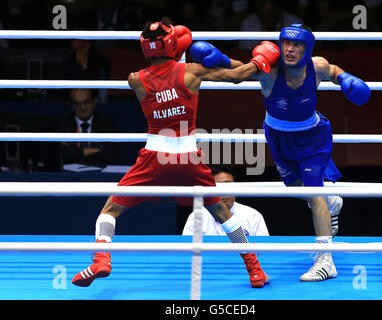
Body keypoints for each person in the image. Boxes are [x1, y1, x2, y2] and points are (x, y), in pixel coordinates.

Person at [72, 17, 281, 289]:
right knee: (222, 213)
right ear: (172, 44)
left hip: (154, 157)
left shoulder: (135, 80)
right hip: (188, 158)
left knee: (110, 209)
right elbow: (240, 77)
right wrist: (257, 60)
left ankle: (101, 258)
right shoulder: (192, 72)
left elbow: (162, 76)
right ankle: (254, 270)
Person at [192, 23, 370, 281]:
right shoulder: (271, 71)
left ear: (307, 48)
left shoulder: (317, 66)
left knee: (313, 192)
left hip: (312, 136)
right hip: (278, 136)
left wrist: (345, 79)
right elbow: (240, 69)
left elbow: (333, 70)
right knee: (297, 188)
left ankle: (325, 259)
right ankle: (331, 203)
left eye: (297, 44)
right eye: (286, 42)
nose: (289, 48)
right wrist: (219, 58)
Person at [183, 165, 270, 236]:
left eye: (228, 185)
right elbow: (186, 252)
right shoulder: (197, 217)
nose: (225, 191)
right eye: (219, 186)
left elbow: (265, 252)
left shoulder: (253, 216)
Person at [57, 88, 118, 166]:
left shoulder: (107, 123)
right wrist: (90, 151)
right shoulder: (62, 124)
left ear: (94, 102)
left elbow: (111, 155)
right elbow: (60, 155)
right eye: (77, 103)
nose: (83, 107)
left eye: (86, 102)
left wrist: (75, 153)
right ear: (71, 105)